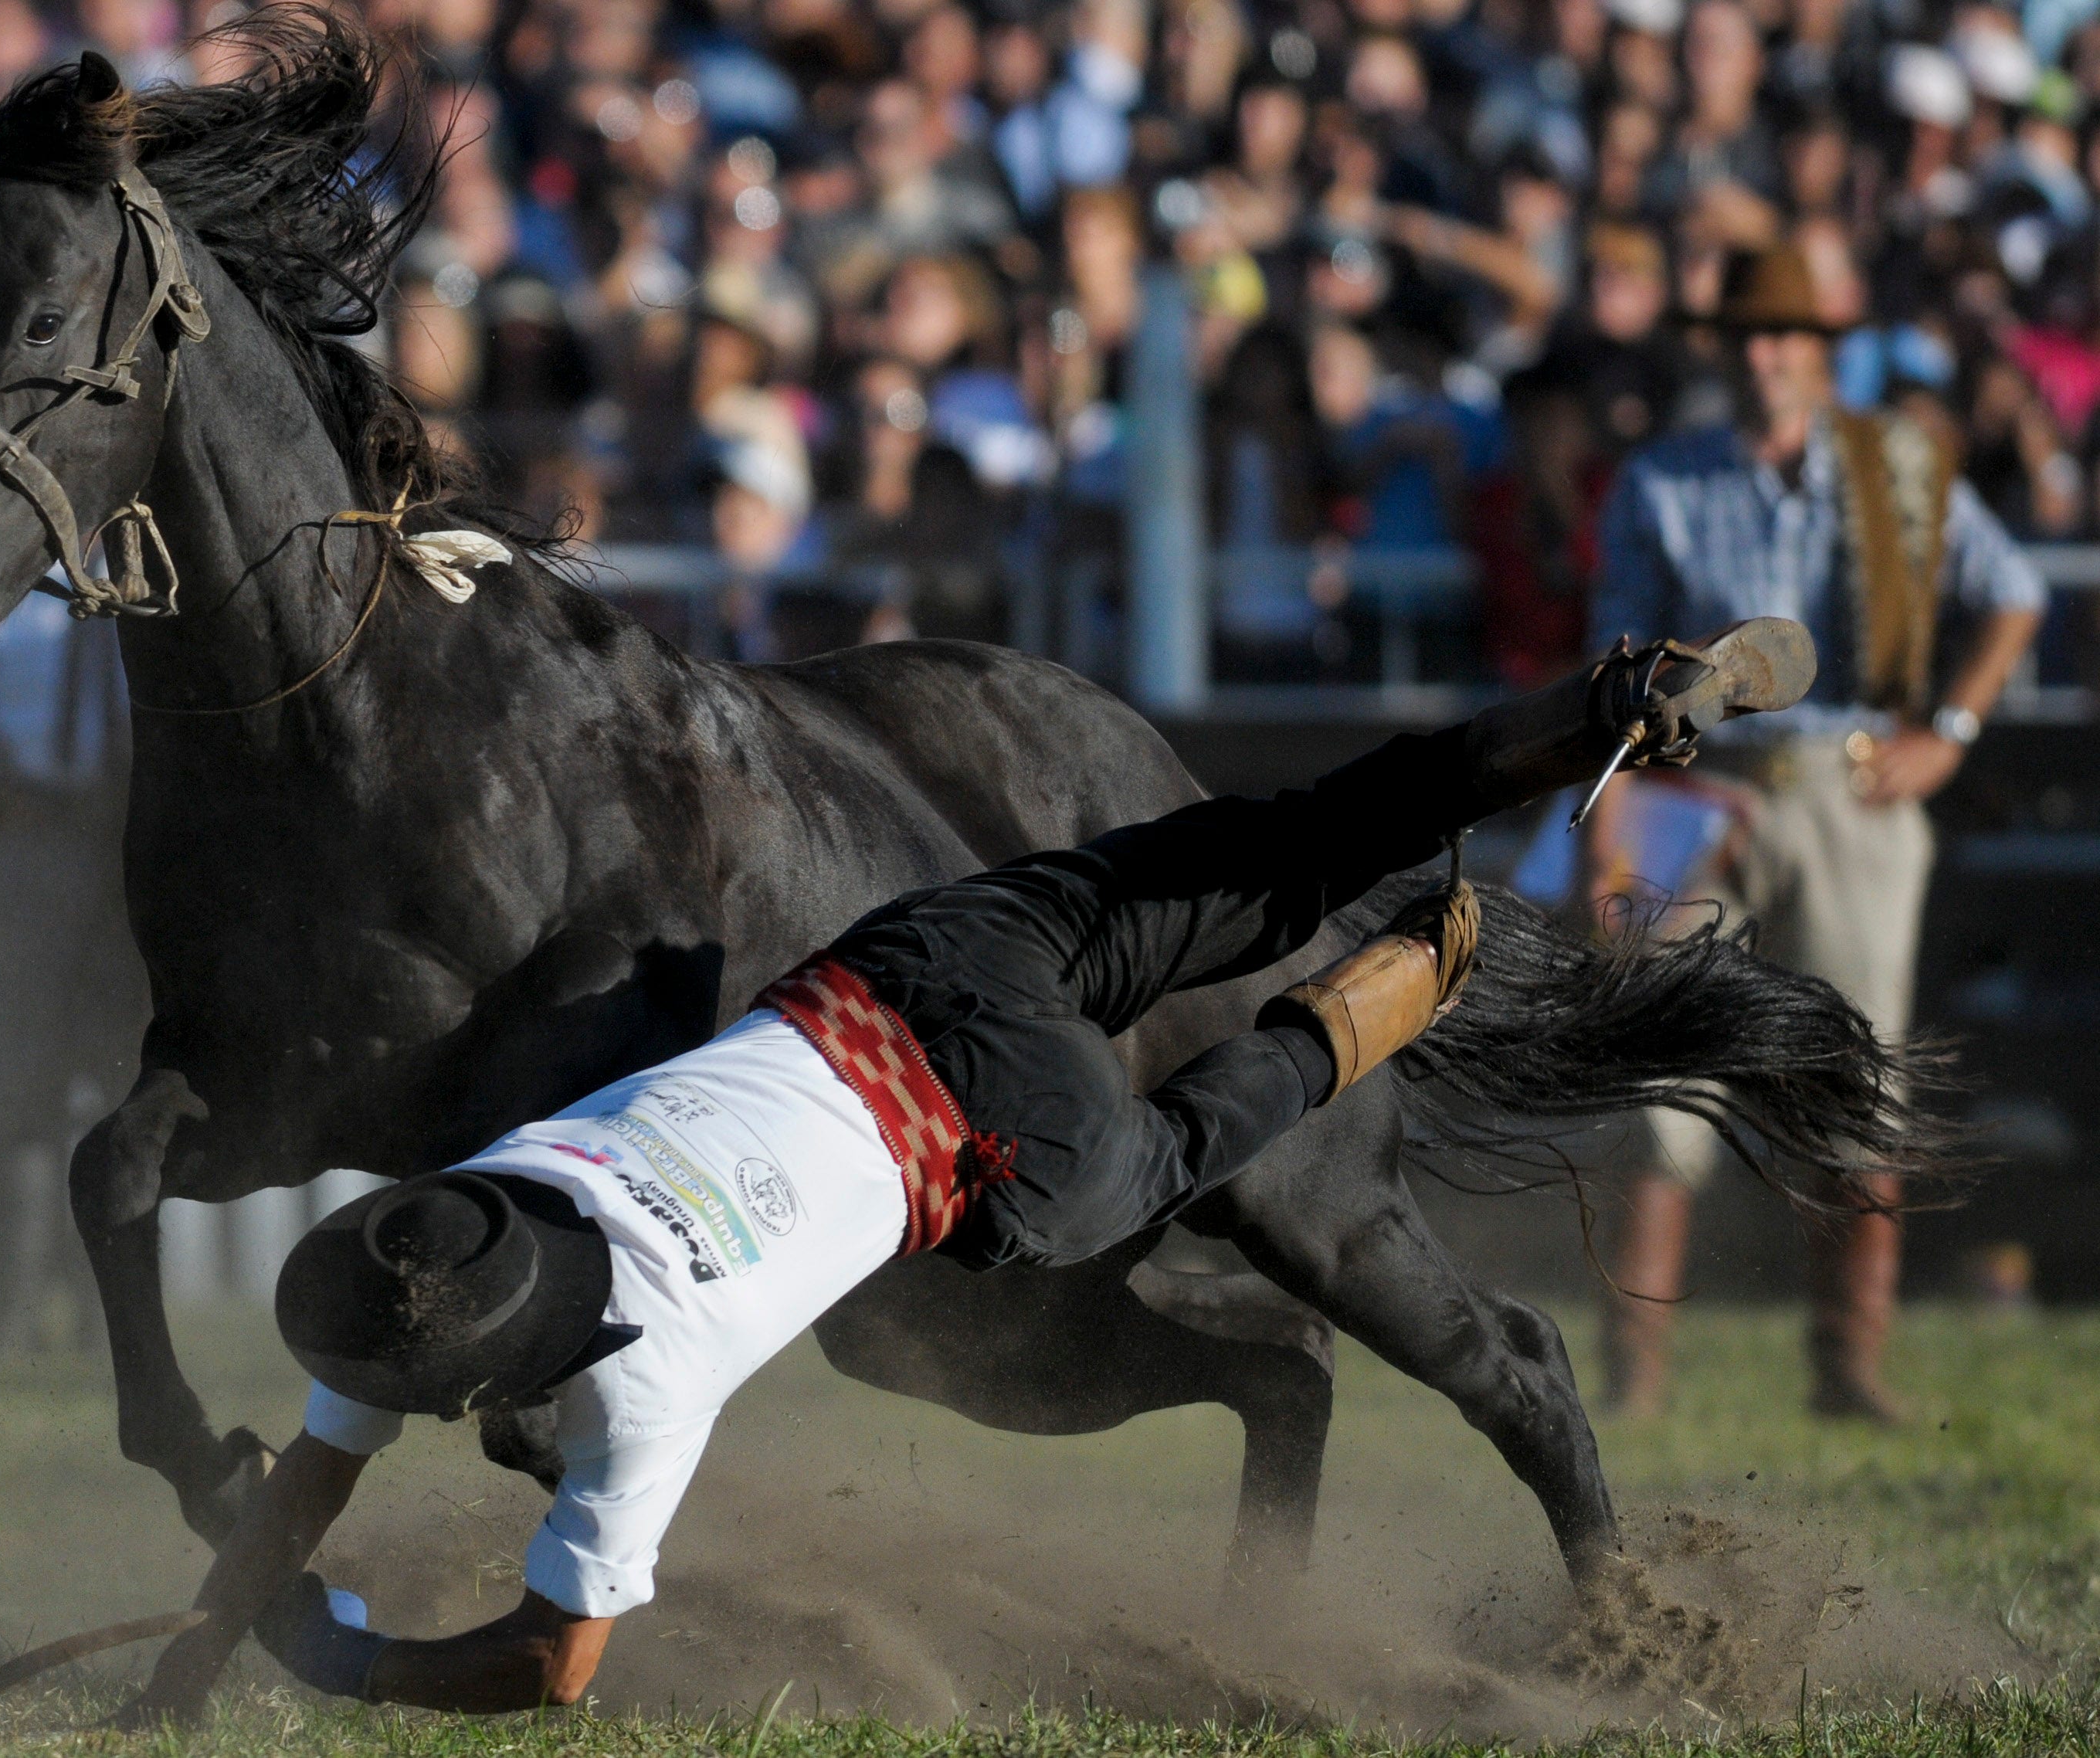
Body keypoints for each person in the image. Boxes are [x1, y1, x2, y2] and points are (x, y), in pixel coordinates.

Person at [117, 619, 1815, 1723]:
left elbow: (546, 1667)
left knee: (1185, 1140)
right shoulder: (483, 1191)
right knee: (1304, 834)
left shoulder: (643, 1398)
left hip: (997, 1158)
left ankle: (1347, 1023)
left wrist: (342, 1658)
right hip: (920, 958)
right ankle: (1599, 702)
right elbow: (323, 1459)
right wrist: (206, 1640)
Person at [1592, 243, 2049, 1424]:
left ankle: (1849, 1368)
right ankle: (1631, 1380)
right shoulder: (1664, 480)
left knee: (1858, 1075)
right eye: (1748, 334)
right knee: (1657, 1075)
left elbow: (2015, 592)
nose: (1767, 354)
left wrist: (1947, 730)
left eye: (1788, 334)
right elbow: (1617, 664)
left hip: (1856, 789)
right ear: (1723, 349)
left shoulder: (1895, 469)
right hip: (1703, 789)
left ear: (1822, 350)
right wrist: (1618, 820)